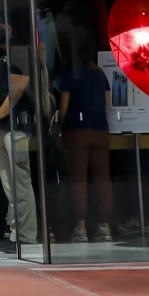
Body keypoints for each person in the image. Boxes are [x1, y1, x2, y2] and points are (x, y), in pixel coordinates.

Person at [0, 39, 39, 255]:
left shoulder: (18, 59)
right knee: (9, 184)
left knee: (20, 182)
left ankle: (25, 235)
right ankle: (16, 233)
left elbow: (17, 90)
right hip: (1, 127)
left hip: (15, 126)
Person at [55, 54, 114, 242]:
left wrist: (60, 125)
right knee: (103, 178)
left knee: (79, 179)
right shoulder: (100, 75)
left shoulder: (70, 75)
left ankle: (80, 228)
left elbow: (63, 108)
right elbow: (106, 105)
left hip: (77, 130)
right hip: (100, 130)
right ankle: (105, 227)